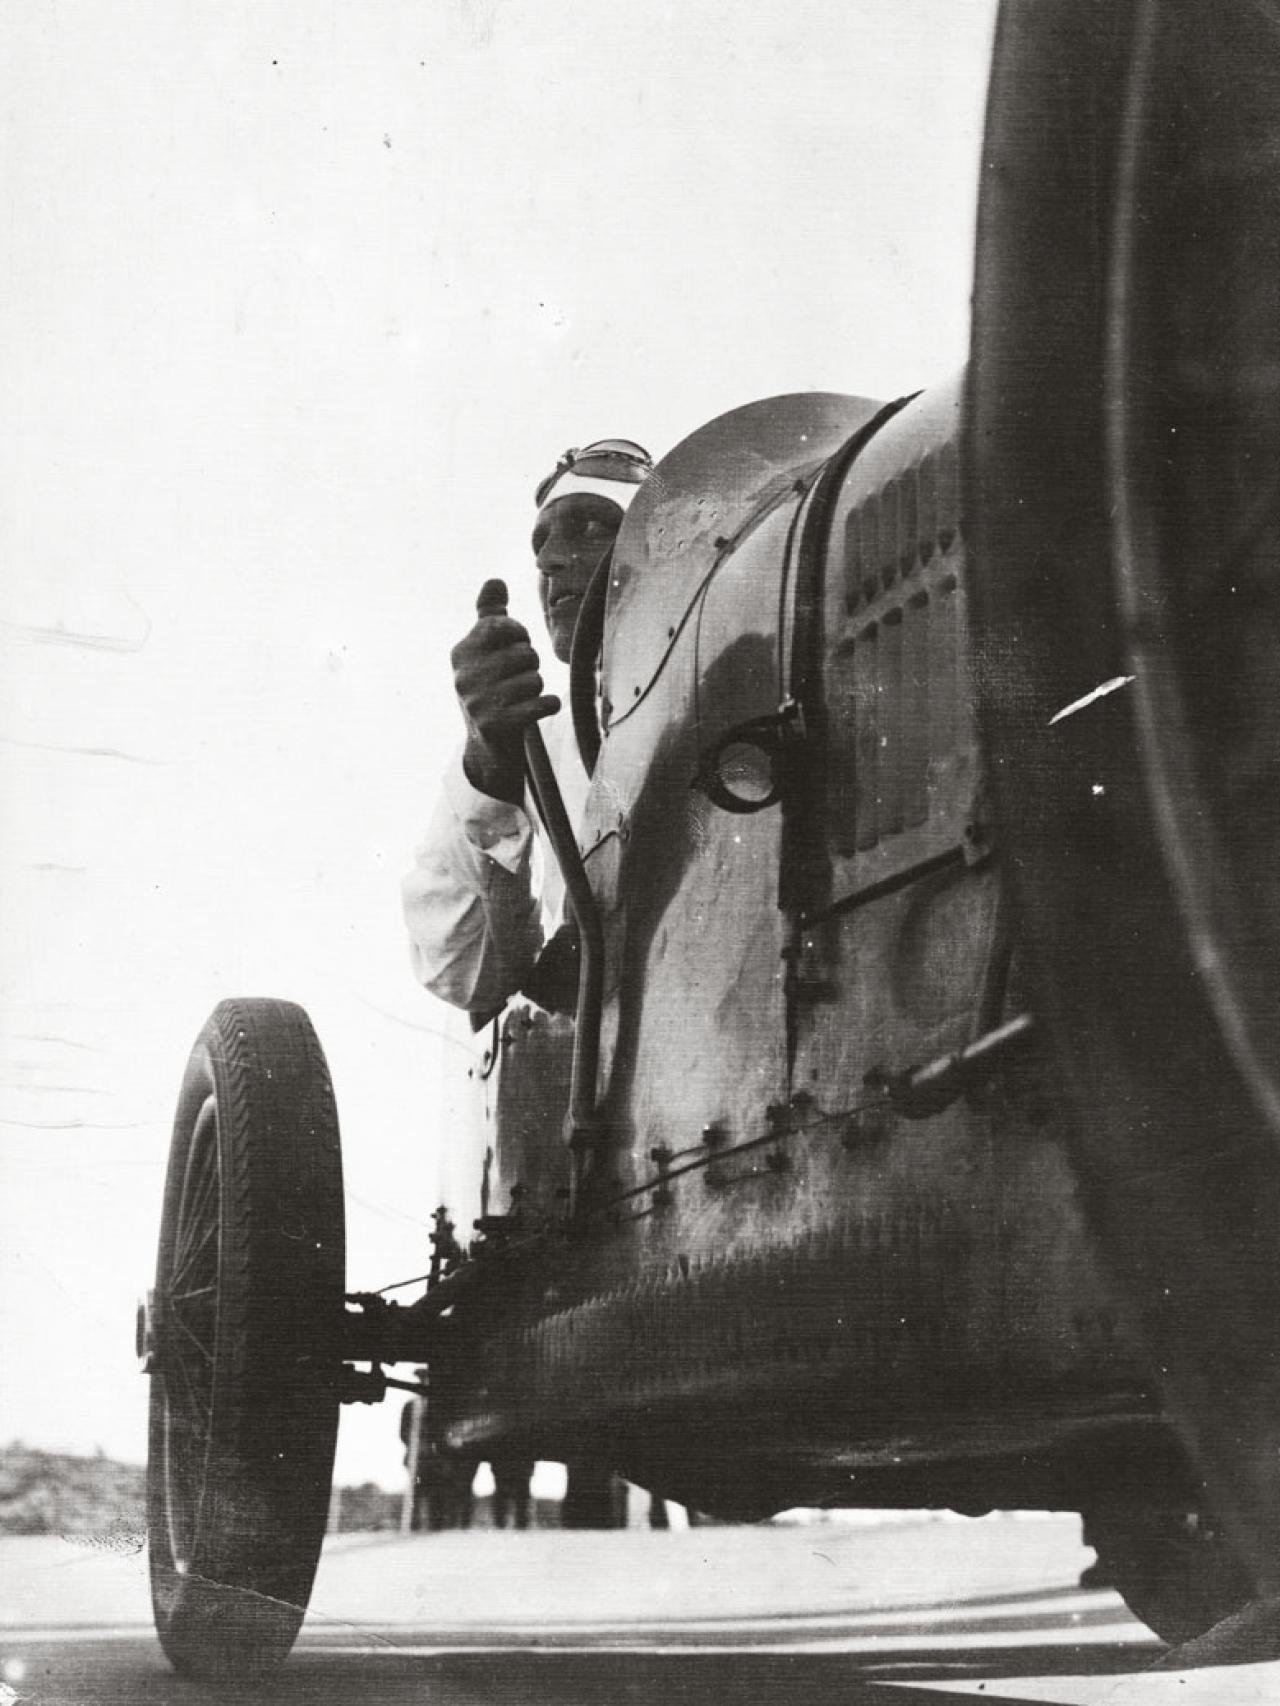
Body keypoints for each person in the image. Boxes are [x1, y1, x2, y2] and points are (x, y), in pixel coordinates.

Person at [402, 438, 653, 1015]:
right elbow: (461, 974)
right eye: (541, 542)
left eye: (590, 527)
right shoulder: (541, 736)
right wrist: (489, 769)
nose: (549, 561)